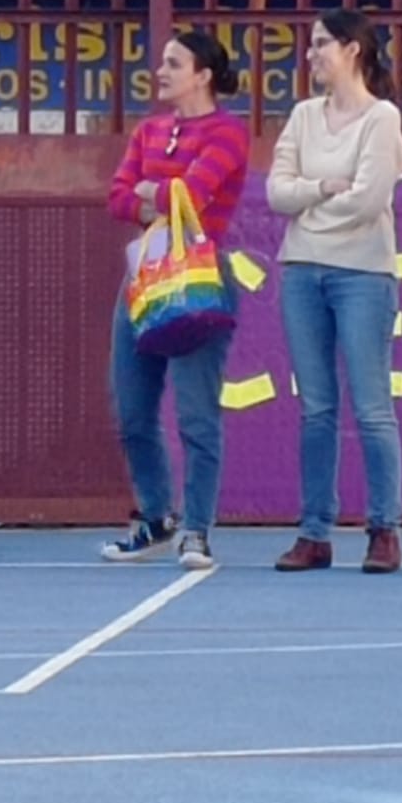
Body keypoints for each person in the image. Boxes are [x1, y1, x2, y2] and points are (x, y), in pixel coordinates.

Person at [267, 11, 402, 573]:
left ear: (353, 50)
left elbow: (370, 199)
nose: (312, 54)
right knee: (316, 408)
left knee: (372, 406)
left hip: (363, 273)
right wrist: (322, 188)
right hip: (302, 270)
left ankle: (384, 527)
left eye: (323, 43)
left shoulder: (382, 117)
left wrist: (310, 204)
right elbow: (276, 192)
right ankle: (314, 531)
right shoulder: (303, 116)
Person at [103, 28, 251, 568]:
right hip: (145, 276)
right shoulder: (149, 130)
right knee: (131, 410)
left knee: (195, 413)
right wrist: (155, 198)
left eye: (173, 63)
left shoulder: (228, 132)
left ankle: (197, 528)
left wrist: (155, 192)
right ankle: (156, 515)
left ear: (203, 75)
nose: (160, 71)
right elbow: (117, 197)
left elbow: (193, 192)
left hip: (198, 276)